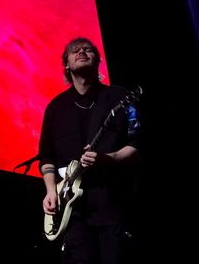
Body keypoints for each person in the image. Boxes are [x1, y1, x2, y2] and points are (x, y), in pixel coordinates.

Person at [38, 37, 143, 264]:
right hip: (73, 214)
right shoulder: (55, 108)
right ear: (66, 64)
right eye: (75, 51)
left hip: (113, 205)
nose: (82, 52)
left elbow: (138, 146)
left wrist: (109, 158)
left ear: (98, 60)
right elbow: (47, 158)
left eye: (88, 50)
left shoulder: (120, 98)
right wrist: (50, 191)